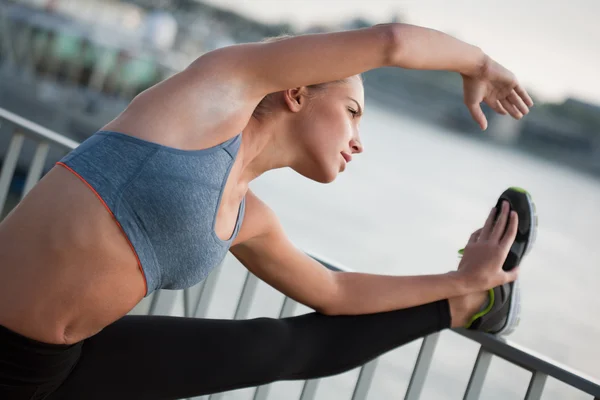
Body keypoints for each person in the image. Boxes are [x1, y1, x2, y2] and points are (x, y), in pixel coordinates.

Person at [0, 23, 534, 400]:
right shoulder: (208, 99)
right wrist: (480, 64)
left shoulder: (249, 216)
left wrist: (455, 278)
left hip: (51, 370)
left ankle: (470, 303)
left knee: (281, 347)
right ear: (297, 92)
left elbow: (337, 292)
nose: (358, 141)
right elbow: (390, 42)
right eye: (352, 113)